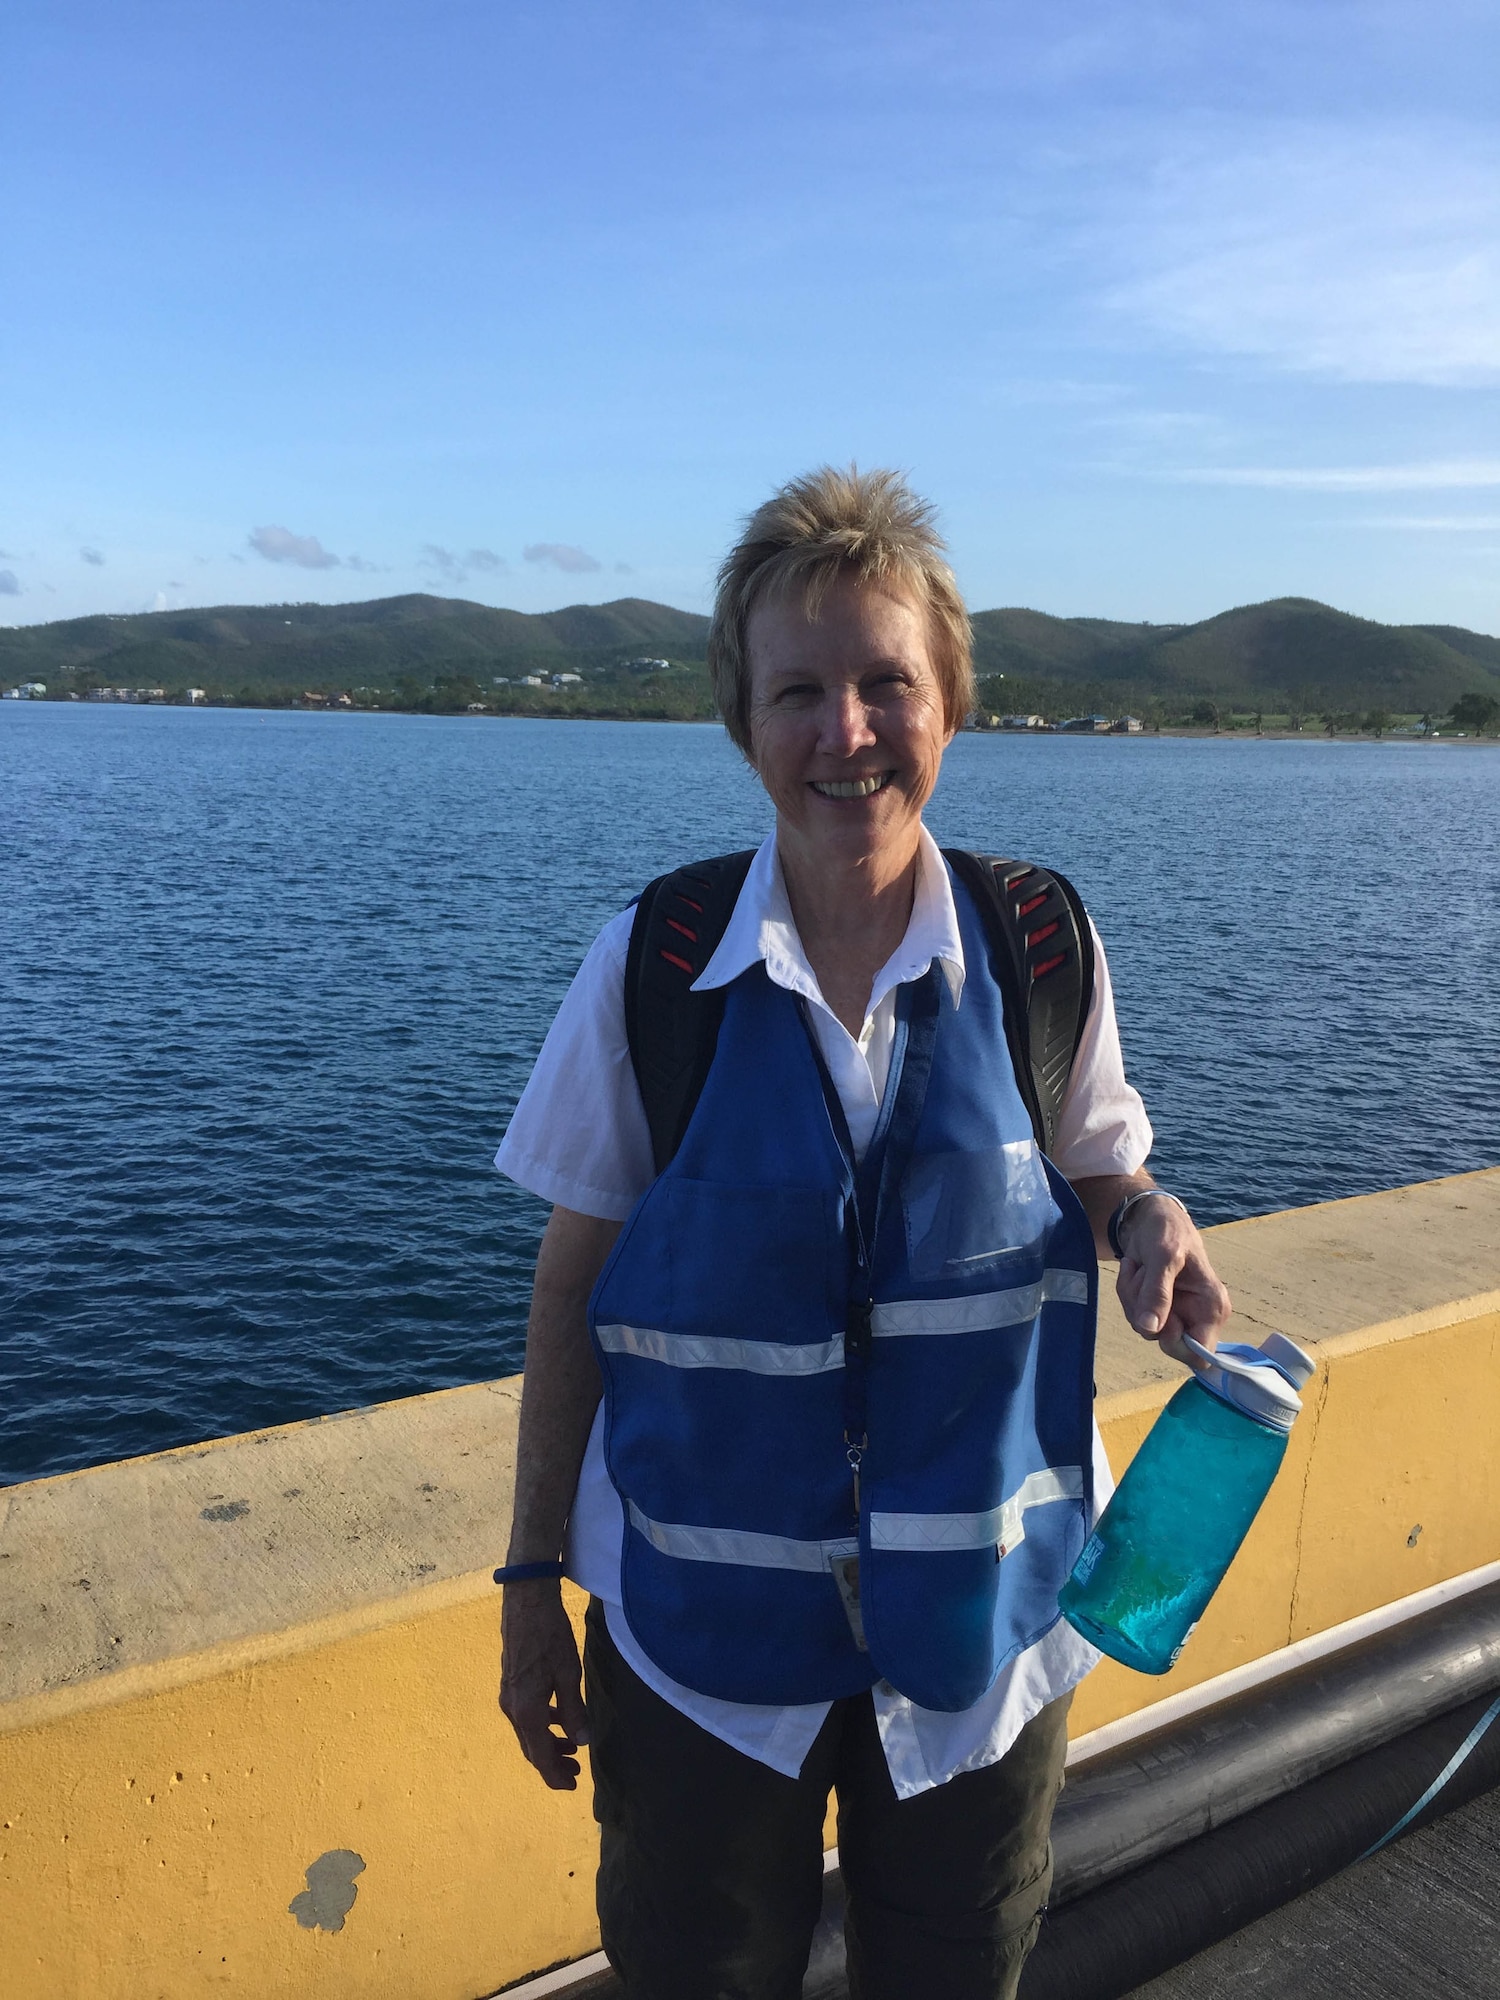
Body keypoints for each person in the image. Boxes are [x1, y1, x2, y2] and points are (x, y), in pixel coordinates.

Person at [495, 467, 1232, 2000]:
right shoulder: (653, 969)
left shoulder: (1041, 946)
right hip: (700, 1671)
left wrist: (1149, 1217)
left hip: (986, 1658)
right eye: (798, 691)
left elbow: (1101, 1161)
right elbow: (574, 1292)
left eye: (887, 683)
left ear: (951, 697)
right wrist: (526, 1590)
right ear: (744, 722)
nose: (846, 733)